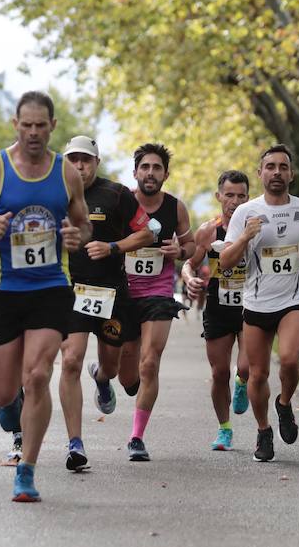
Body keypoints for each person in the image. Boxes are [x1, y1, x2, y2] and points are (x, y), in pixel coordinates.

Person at [0, 91, 91, 503]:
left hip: (51, 287)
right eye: (26, 125)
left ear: (52, 127)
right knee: (3, 392)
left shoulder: (67, 174)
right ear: (16, 124)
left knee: (39, 374)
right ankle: (11, 412)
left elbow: (84, 227)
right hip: (3, 290)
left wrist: (76, 237)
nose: (33, 132)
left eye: (40, 126)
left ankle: (26, 470)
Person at [217, 144, 299, 462]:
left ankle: (285, 403)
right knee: (258, 374)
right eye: (271, 166)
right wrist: (245, 237)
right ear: (260, 173)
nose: (277, 172)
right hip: (257, 302)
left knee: (290, 360)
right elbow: (224, 262)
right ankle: (264, 431)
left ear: (291, 173)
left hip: (295, 298)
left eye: (283, 167)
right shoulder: (245, 212)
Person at [57, 134, 153, 472]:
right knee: (70, 362)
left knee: (113, 368)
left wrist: (112, 247)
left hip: (111, 293)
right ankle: (75, 443)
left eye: (85, 159)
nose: (79, 165)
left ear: (96, 162)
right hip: (71, 291)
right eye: (73, 159)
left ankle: (101, 377)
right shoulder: (55, 192)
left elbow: (148, 232)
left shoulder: (117, 194)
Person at [114, 142, 193, 462]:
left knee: (150, 362)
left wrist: (180, 253)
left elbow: (189, 247)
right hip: (123, 292)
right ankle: (104, 374)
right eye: (145, 167)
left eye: (156, 167)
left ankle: (136, 438)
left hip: (159, 294)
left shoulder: (175, 207)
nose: (150, 172)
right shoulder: (122, 203)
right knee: (128, 376)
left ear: (165, 174)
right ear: (135, 172)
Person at [185, 169, 253, 451]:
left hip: (251, 305)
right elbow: (189, 263)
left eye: (241, 196)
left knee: (246, 367)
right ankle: (224, 429)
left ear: (248, 198)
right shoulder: (208, 231)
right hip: (218, 305)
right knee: (218, 373)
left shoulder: (255, 227)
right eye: (229, 195)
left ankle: (242, 381)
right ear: (218, 196)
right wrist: (190, 279)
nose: (234, 202)